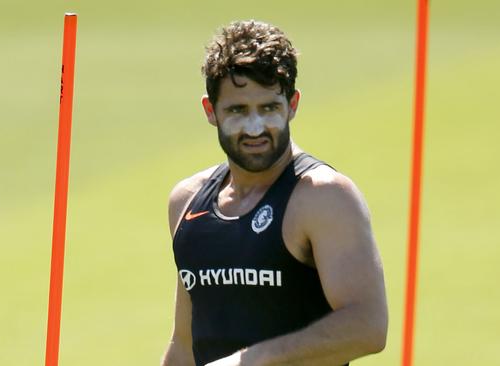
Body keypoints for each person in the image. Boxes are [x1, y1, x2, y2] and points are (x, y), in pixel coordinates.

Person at [161, 20, 387, 366]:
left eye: (269, 108)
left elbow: (367, 327)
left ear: (292, 104)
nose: (255, 127)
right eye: (238, 111)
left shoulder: (323, 196)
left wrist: (249, 360)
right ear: (211, 111)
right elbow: (184, 344)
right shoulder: (187, 202)